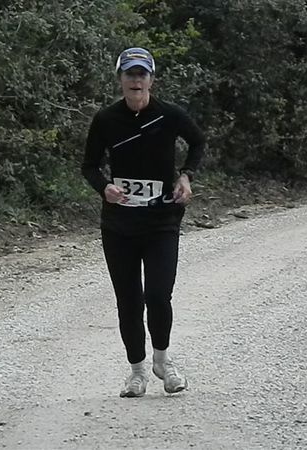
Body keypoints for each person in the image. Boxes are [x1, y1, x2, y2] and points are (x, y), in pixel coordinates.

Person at [81, 47, 205, 397]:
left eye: (142, 74)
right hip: (119, 224)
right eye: (130, 74)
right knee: (129, 299)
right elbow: (89, 165)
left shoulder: (169, 115)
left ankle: (163, 362)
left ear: (151, 79)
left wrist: (186, 176)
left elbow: (198, 142)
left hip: (161, 220)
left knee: (158, 294)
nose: (136, 80)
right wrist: (104, 187)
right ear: (120, 79)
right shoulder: (106, 120)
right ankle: (136, 372)